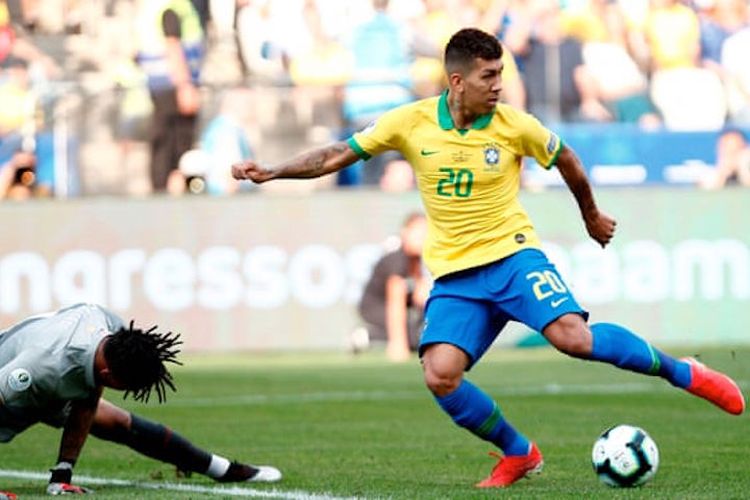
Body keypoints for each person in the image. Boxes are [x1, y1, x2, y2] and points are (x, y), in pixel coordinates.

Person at [231, 28, 745, 488]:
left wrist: (590, 214)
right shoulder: (409, 123)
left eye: (501, 73)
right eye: (489, 76)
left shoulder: (513, 125)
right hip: (456, 276)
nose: (498, 85)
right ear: (456, 82)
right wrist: (273, 172)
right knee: (440, 374)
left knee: (573, 338)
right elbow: (335, 155)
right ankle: (518, 452)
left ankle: (684, 373)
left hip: (513, 257)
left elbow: (566, 157)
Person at [0, 303, 281, 496]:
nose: (130, 393)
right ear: (108, 373)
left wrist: (63, 474)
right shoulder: (40, 363)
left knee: (120, 423)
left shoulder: (110, 325)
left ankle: (223, 469)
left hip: (56, 389)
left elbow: (88, 397)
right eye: (128, 387)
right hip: (12, 389)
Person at [135, 0, 204, 193]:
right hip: (173, 86)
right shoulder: (172, 6)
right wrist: (185, 86)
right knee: (176, 147)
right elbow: (172, 45)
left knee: (165, 141)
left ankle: (165, 190)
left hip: (162, 84)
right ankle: (169, 192)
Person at [357, 212, 429, 362]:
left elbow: (419, 296)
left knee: (425, 335)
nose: (423, 237)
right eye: (418, 232)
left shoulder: (418, 258)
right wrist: (398, 343)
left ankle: (370, 337)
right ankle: (367, 336)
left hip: (403, 307)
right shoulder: (397, 259)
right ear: (405, 233)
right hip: (375, 306)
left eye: (426, 232)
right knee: (417, 338)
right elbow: (395, 304)